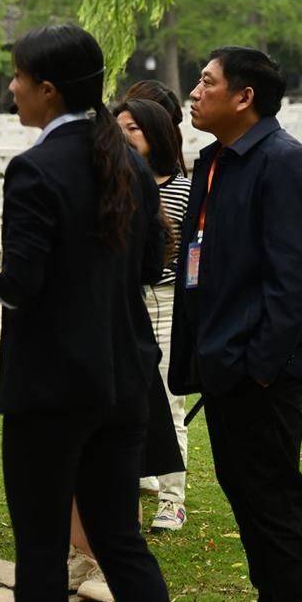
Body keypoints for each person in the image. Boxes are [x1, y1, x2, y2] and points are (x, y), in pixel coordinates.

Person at [0, 25, 174, 602]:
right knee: (120, 540)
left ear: (48, 89)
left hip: (52, 386)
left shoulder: (35, 168)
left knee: (41, 546)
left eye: (19, 77)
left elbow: (25, 281)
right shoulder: (129, 161)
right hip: (123, 378)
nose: (12, 88)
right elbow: (149, 264)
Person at [171, 46, 302, 602]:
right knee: (246, 495)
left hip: (261, 372)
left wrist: (261, 366)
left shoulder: (284, 163)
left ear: (245, 97)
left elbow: (292, 280)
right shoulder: (215, 162)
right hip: (222, 364)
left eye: (207, 83)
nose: (195, 93)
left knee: (275, 499)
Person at [115, 96, 191, 531]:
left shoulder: (182, 189)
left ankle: (172, 499)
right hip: (121, 304)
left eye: (133, 128)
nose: (123, 136)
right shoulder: (111, 184)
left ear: (156, 134)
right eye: (117, 129)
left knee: (167, 401)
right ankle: (137, 478)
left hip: (164, 302)